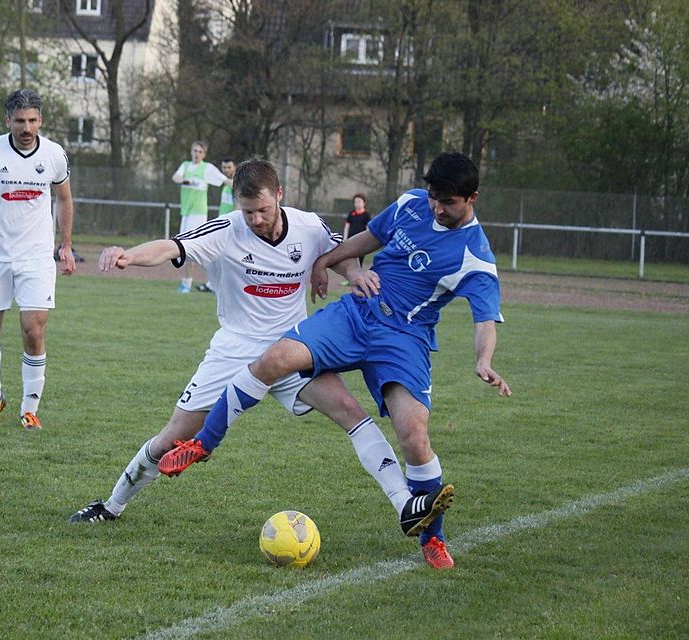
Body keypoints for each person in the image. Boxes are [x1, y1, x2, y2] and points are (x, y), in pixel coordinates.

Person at [159, 152, 512, 570]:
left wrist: (483, 360)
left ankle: (432, 539)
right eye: (434, 197)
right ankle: (203, 443)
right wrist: (326, 261)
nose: (437, 207)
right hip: (356, 314)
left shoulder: (476, 255)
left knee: (414, 436)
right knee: (274, 359)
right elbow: (368, 239)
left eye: (448, 202)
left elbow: (485, 318)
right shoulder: (412, 203)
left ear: (472, 198)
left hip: (404, 339)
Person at [70, 159, 451, 545]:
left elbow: (340, 252)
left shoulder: (309, 226)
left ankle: (405, 506)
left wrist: (352, 274)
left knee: (351, 413)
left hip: (293, 346)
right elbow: (172, 247)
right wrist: (129, 255)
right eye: (247, 211)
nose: (255, 219)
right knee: (173, 436)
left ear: (280, 195)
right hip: (234, 348)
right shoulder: (226, 229)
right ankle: (112, 505)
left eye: (263, 210)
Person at [0, 88, 76, 431]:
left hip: (36, 256)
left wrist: (65, 245)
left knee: (33, 329)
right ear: (8, 120)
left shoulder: (54, 155)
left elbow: (64, 200)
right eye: (20, 121)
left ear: (41, 121)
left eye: (33, 120)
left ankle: (29, 409)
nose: (27, 128)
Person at [171, 141, 229, 293]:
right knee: (184, 247)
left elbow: (224, 180)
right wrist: (186, 180)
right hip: (186, 212)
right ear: (191, 151)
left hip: (198, 213)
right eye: (195, 150)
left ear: (204, 154)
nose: (197, 154)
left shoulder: (207, 168)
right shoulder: (185, 166)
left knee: (191, 247)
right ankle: (200, 283)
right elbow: (176, 178)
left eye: (200, 152)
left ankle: (188, 284)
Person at [196, 157, 237, 294]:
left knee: (225, 256)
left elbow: (238, 207)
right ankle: (213, 284)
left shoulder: (235, 185)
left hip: (230, 226)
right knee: (217, 256)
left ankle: (219, 285)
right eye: (224, 167)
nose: (226, 170)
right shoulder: (225, 184)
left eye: (229, 167)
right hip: (222, 223)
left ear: (234, 167)